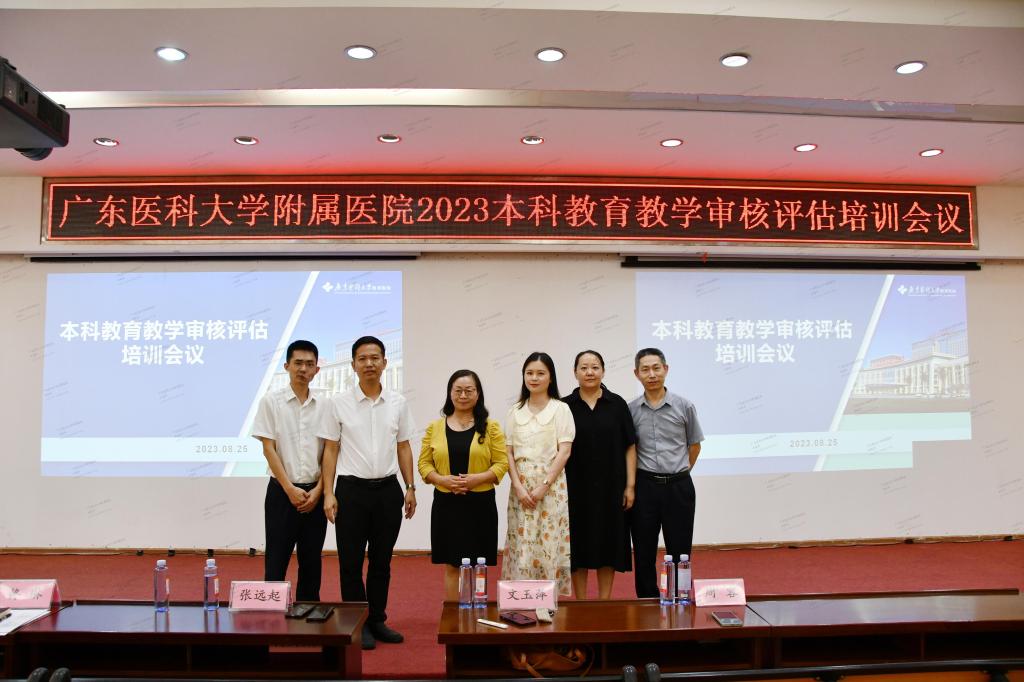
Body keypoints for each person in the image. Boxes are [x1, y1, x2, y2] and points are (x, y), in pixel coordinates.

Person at [319, 336, 417, 650]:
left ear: (385, 362)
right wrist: (328, 493)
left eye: (375, 358)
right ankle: (356, 622)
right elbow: (330, 449)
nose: (369, 364)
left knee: (381, 562)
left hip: (388, 491)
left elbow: (404, 446)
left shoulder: (398, 402)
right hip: (351, 491)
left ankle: (376, 619)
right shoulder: (338, 403)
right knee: (350, 563)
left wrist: (410, 487)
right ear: (353, 365)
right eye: (362, 358)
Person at [419, 370, 509, 601]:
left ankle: (476, 612)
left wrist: (476, 479)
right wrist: (442, 480)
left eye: (469, 390)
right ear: (450, 394)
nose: (463, 395)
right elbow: (424, 464)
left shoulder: (491, 427)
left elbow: (502, 463)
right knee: (452, 564)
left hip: (480, 504)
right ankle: (452, 615)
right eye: (458, 390)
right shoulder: (435, 427)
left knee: (478, 565)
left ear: (478, 394)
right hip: (446, 504)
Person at [251, 339, 329, 602]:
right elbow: (268, 449)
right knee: (276, 559)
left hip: (314, 495)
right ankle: (272, 616)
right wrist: (289, 489)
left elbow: (330, 452)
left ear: (317, 369)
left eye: (309, 364)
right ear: (286, 366)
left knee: (311, 561)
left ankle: (308, 613)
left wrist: (320, 490)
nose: (303, 369)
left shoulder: (325, 405)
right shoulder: (271, 402)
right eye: (298, 363)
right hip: (281, 493)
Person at [629, 347, 704, 599]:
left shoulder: (684, 406)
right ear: (637, 374)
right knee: (643, 550)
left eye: (656, 368)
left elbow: (694, 446)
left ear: (666, 369)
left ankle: (679, 599)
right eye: (645, 370)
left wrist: (679, 473)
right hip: (645, 486)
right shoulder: (631, 410)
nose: (651, 374)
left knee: (680, 550)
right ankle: (647, 601)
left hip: (678, 487)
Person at [563, 350, 637, 599]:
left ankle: (605, 601)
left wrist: (630, 486)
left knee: (609, 544)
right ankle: (581, 602)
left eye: (595, 367)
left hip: (611, 487)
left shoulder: (617, 404)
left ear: (603, 371)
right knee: (578, 546)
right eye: (584, 367)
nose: (589, 372)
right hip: (574, 488)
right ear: (575, 372)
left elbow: (630, 446)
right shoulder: (564, 406)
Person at [501, 352, 575, 597]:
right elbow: (508, 452)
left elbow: (565, 451)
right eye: (529, 373)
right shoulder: (515, 411)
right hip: (521, 488)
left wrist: (544, 484)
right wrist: (518, 486)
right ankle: (521, 600)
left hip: (551, 487)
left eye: (540, 373)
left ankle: (546, 602)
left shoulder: (561, 409)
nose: (534, 378)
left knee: (548, 542)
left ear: (550, 378)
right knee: (521, 542)